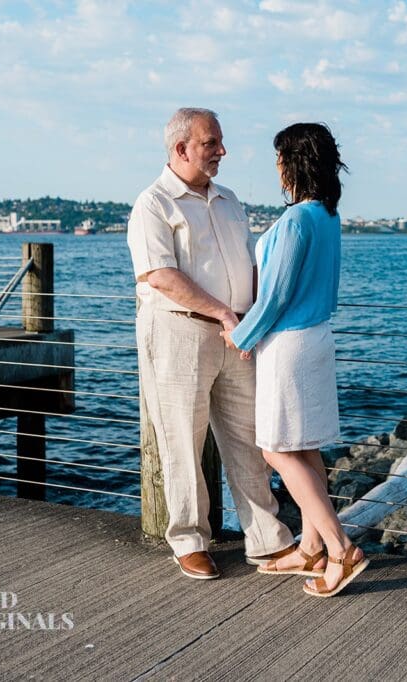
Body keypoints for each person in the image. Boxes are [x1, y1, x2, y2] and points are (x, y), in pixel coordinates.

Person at [127, 107, 296, 580]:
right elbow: (160, 275)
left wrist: (261, 314)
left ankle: (267, 541)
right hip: (180, 331)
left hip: (237, 333)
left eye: (219, 142)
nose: (222, 151)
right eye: (211, 143)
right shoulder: (153, 204)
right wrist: (223, 312)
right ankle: (188, 540)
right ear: (181, 148)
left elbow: (248, 263)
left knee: (249, 436)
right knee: (182, 436)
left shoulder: (229, 199)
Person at [221, 122, 367, 597]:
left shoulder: (297, 220)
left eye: (280, 158)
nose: (277, 167)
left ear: (293, 163)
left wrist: (240, 334)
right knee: (304, 448)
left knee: (276, 449)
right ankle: (310, 548)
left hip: (289, 345)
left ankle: (340, 548)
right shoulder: (328, 216)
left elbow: (276, 294)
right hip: (318, 338)